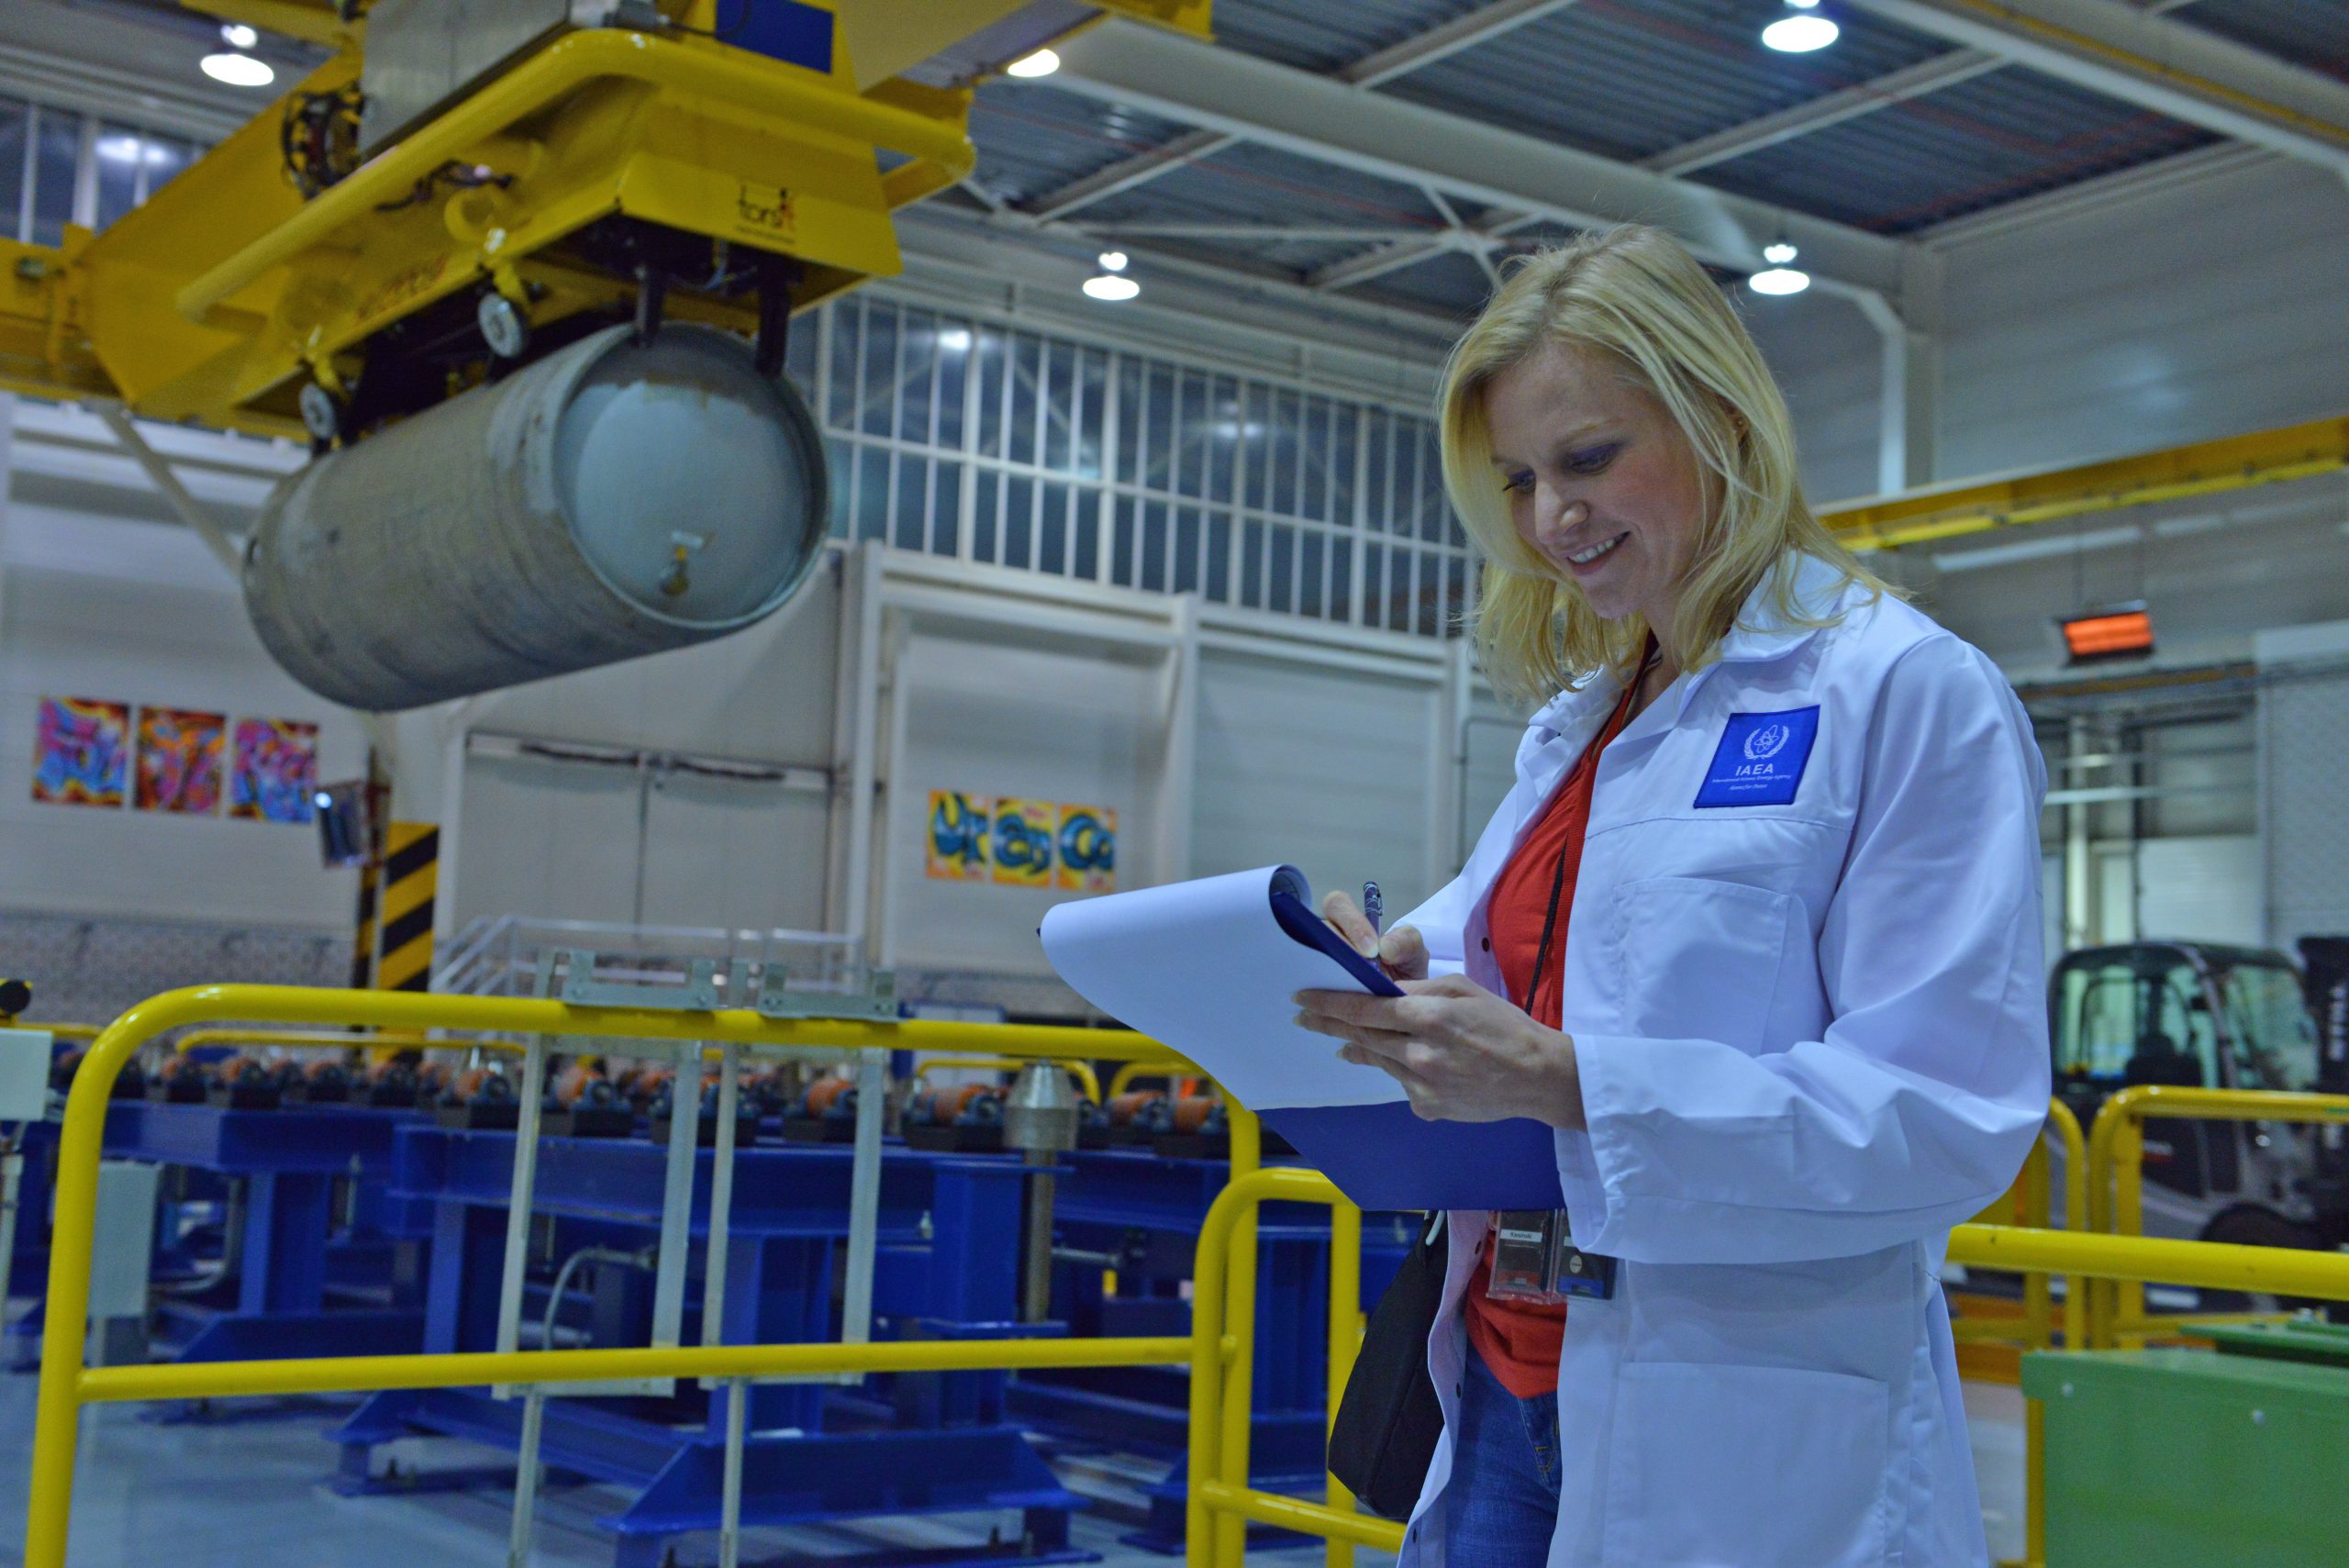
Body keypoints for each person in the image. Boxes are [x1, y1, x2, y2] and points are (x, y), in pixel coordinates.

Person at [1293, 225, 2050, 1568]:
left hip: (1736, 1423)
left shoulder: (1902, 691)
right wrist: (1388, 970)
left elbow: (1943, 1116)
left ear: (1721, 420)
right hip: (1505, 1382)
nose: (1550, 517)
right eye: (1520, 479)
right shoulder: (1585, 728)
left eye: (1588, 459)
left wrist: (1577, 1083)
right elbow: (1521, 959)